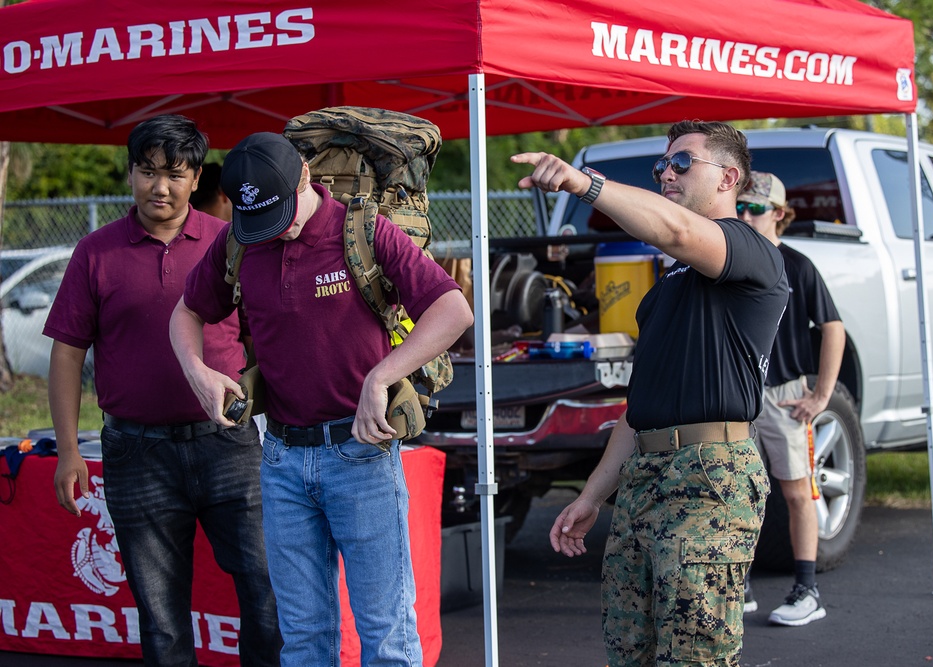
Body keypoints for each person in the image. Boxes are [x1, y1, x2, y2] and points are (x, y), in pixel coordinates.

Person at [169, 132, 474, 666]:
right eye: (259, 221)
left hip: (361, 457)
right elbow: (186, 312)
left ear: (306, 176)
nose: (275, 231)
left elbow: (453, 311)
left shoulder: (362, 229)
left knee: (386, 635)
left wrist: (382, 377)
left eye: (281, 214)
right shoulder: (243, 241)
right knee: (304, 637)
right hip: (282, 460)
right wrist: (197, 372)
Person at [513, 120, 787, 667]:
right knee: (629, 650)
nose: (666, 172)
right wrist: (592, 496)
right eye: (661, 164)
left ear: (729, 178)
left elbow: (678, 232)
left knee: (693, 656)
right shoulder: (664, 292)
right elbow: (637, 414)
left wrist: (583, 183)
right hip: (644, 481)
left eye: (682, 163)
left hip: (711, 476)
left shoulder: (750, 251)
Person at [45, 115, 281, 666]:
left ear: (197, 178)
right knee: (161, 623)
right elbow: (66, 351)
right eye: (147, 172)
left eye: (174, 174)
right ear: (130, 175)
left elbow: (266, 334)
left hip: (229, 445)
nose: (160, 187)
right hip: (136, 453)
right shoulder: (95, 253)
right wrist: (67, 450)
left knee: (267, 596)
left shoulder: (234, 242)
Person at [737, 171, 845, 626]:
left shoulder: (798, 265)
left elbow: (833, 327)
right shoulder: (732, 260)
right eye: (740, 206)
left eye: (756, 208)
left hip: (783, 394)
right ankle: (736, 583)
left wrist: (821, 395)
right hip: (739, 395)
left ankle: (807, 588)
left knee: (799, 491)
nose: (745, 215)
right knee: (738, 491)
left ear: (779, 214)